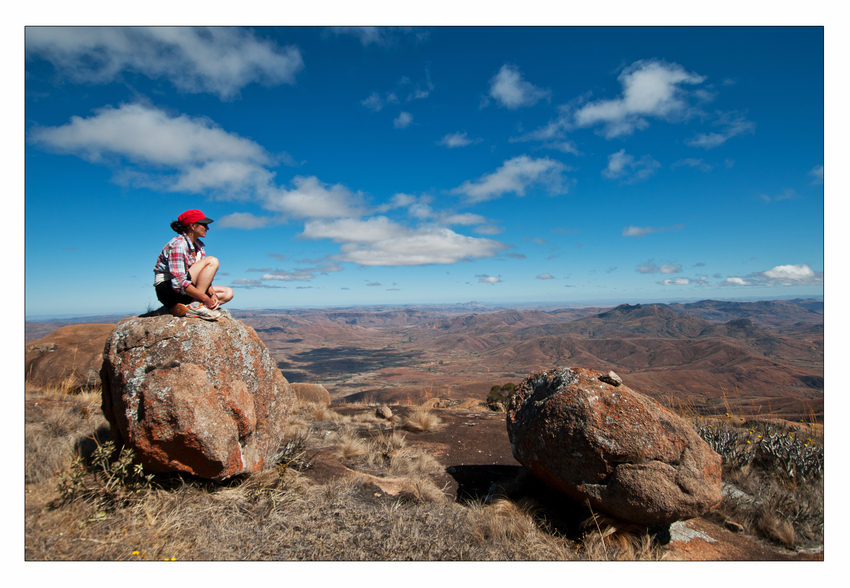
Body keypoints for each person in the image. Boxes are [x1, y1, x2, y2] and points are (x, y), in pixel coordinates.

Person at [153, 209, 234, 321]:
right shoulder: (179, 245)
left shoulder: (198, 247)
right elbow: (178, 283)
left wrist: (212, 295)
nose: (207, 228)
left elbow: (203, 277)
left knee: (227, 293)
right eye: (204, 225)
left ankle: (186, 308)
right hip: (168, 289)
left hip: (186, 288)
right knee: (212, 261)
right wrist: (205, 298)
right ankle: (195, 306)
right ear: (192, 225)